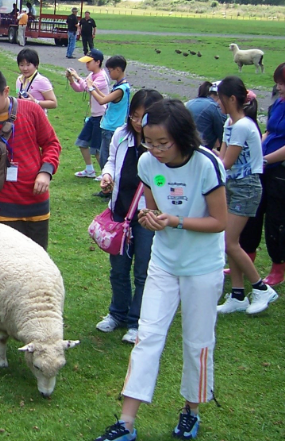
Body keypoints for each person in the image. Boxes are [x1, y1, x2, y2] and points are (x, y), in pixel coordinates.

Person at [93, 98, 227, 441]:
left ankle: (191, 411)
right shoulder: (147, 162)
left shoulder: (207, 164)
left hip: (202, 266)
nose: (155, 150)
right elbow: (153, 211)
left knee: (197, 341)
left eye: (162, 143)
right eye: (149, 142)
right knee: (147, 336)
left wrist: (175, 221)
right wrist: (149, 218)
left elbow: (219, 221)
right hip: (164, 263)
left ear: (182, 136)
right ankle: (126, 423)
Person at [0, 67, 61, 249]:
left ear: (6, 91)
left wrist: (45, 172)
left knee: (36, 260)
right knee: (3, 261)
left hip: (36, 204)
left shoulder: (32, 110)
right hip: (0, 208)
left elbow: (51, 143)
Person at [96, 89, 163, 344]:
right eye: (134, 115)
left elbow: (162, 178)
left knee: (143, 271)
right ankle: (117, 313)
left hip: (146, 215)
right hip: (120, 212)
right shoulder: (121, 135)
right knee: (119, 269)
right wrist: (107, 175)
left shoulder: (160, 143)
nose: (137, 122)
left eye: (143, 117)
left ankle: (137, 321)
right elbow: (112, 161)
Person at [239, 61, 285, 286]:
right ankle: (246, 261)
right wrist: (255, 151)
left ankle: (278, 267)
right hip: (263, 168)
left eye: (282, 83)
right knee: (252, 215)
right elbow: (269, 131)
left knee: (277, 220)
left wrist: (265, 159)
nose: (278, 87)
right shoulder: (279, 103)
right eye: (277, 83)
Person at [214, 76, 278, 315]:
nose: (217, 102)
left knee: (229, 242)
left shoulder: (243, 126)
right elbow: (222, 158)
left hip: (246, 187)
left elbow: (227, 162)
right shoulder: (229, 123)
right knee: (232, 242)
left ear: (231, 99)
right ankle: (238, 295)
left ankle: (261, 288)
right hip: (232, 185)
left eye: (220, 98)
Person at [91, 55, 131, 197]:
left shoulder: (121, 89)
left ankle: (109, 190)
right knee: (105, 158)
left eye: (110, 70)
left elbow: (102, 101)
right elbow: (106, 98)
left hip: (112, 128)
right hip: (110, 127)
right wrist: (96, 88)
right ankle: (107, 189)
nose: (109, 73)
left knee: (106, 160)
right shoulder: (120, 87)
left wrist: (90, 88)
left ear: (118, 70)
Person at [67, 49, 109, 179]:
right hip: (94, 116)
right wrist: (71, 80)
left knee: (97, 148)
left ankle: (106, 173)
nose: (87, 64)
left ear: (98, 62)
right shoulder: (91, 75)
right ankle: (89, 170)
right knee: (82, 142)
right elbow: (80, 88)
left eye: (89, 62)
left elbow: (88, 88)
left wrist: (77, 77)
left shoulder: (102, 77)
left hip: (101, 117)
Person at [15, 48, 58, 115]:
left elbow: (54, 103)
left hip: (38, 118)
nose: (25, 68)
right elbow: (18, 93)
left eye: (28, 65)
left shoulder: (41, 81)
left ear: (36, 65)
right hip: (23, 117)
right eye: (21, 65)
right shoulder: (19, 80)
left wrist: (35, 102)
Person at [185, 81, 227, 150]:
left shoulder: (190, 102)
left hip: (184, 147)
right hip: (199, 149)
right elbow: (223, 136)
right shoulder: (215, 107)